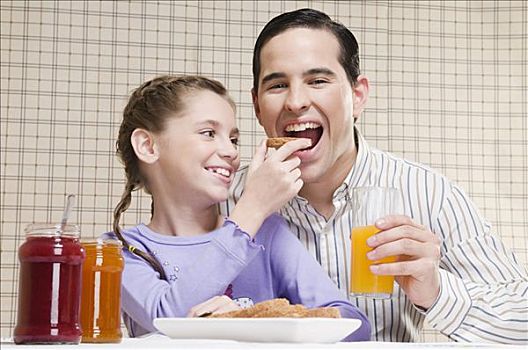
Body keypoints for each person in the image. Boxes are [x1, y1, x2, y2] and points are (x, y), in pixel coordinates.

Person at [220, 8, 528, 344]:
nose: (295, 102)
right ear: (256, 105)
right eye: (278, 85)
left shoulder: (427, 194)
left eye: (318, 81)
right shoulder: (221, 200)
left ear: (357, 95)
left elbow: (522, 320)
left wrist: (438, 293)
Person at [107, 74, 370, 340]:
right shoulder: (118, 252)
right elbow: (166, 318)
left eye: (233, 139)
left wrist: (259, 319)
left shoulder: (267, 233)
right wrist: (253, 208)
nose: (231, 153)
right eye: (209, 133)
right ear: (148, 146)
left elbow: (353, 324)